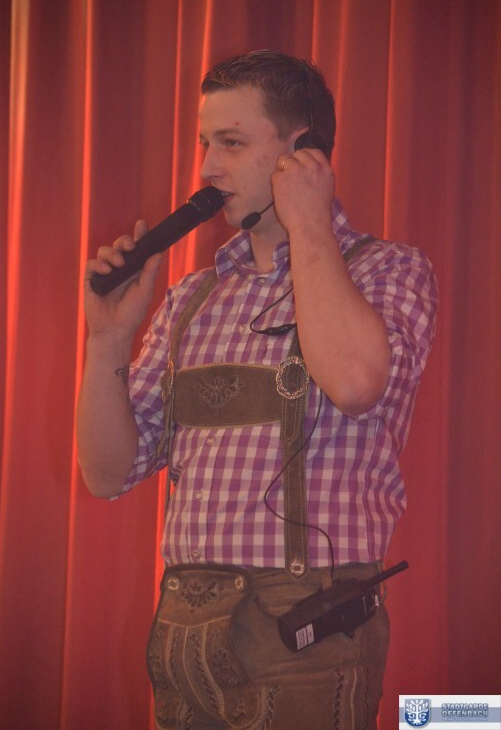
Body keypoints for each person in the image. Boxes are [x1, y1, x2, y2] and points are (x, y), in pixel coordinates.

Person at [77, 50, 438, 730]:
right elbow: (106, 473)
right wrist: (106, 342)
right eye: (205, 144)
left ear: (302, 153)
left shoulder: (389, 271)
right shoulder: (192, 298)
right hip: (185, 634)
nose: (207, 168)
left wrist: (308, 220)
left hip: (306, 636)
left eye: (232, 143)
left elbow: (355, 383)